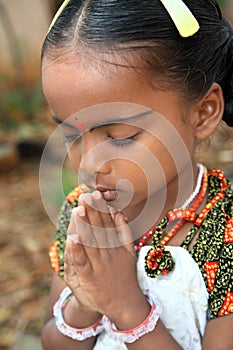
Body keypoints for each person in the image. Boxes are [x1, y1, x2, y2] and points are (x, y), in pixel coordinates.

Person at [40, 0, 233, 349]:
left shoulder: (225, 234)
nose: (88, 165)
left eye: (119, 137)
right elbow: (53, 342)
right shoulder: (83, 214)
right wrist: (83, 305)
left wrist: (126, 307)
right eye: (70, 135)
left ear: (203, 112)